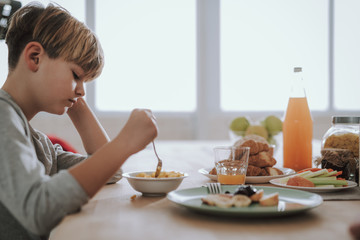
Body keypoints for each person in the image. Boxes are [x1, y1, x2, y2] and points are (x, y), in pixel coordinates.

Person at [0, 2, 158, 240]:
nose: (82, 91)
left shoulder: (37, 143)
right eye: (76, 75)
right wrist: (125, 142)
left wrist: (77, 105)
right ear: (35, 57)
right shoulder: (2, 118)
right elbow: (38, 210)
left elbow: (109, 172)